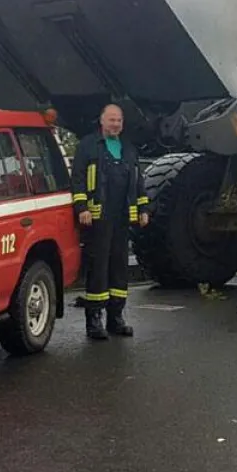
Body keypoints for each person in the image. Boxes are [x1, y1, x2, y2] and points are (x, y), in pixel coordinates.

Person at [70, 103, 151, 340]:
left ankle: (116, 317)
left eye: (119, 121)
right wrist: (82, 207)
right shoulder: (88, 146)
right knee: (98, 267)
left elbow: (139, 182)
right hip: (98, 217)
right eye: (111, 120)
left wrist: (144, 208)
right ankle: (94, 320)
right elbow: (78, 179)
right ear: (102, 121)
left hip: (123, 216)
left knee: (119, 268)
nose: (115, 124)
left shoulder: (128, 149)